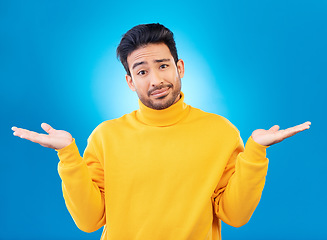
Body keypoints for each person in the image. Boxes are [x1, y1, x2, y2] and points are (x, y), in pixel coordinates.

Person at [11, 23, 311, 240]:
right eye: (142, 71)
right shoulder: (106, 136)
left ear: (179, 67)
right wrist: (68, 157)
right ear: (130, 81)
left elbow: (235, 215)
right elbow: (89, 222)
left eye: (163, 66)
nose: (155, 80)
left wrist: (256, 152)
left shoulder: (220, 131)